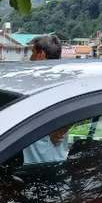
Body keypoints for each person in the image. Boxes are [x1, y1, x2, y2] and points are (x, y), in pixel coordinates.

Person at [24, 34, 68, 165]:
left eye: (32, 53)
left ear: (41, 54)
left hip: (40, 164)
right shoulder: (64, 80)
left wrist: (60, 130)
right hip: (53, 159)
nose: (30, 58)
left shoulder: (38, 84)